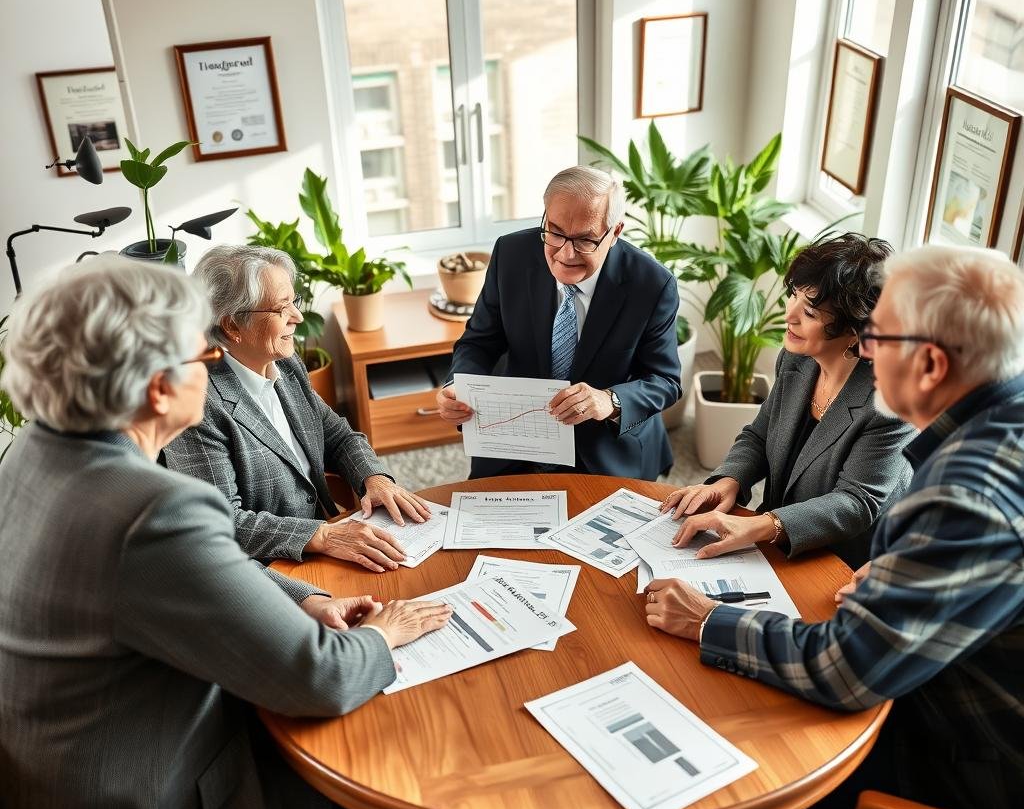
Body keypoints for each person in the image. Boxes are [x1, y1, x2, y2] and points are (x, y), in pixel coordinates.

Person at [0, 257, 451, 809]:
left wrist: (300, 598)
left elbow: (181, 582)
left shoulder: (30, 453)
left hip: (60, 797)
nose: (213, 366)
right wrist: (386, 631)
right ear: (160, 387)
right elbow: (321, 677)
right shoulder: (152, 511)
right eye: (204, 358)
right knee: (391, 769)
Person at [643, 244, 1024, 809]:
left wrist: (707, 619)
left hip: (961, 761)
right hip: (944, 678)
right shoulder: (998, 422)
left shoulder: (968, 498)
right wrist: (906, 566)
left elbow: (844, 672)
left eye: (877, 337)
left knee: (700, 763)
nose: (867, 351)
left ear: (928, 362)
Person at [163, 245, 430, 574]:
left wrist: (374, 479)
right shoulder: (196, 405)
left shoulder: (286, 364)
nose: (298, 317)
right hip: (271, 571)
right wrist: (325, 535)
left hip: (331, 538)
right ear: (232, 326)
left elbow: (337, 435)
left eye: (294, 301)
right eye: (280, 308)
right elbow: (222, 522)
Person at [663, 233, 914, 568]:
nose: (789, 314)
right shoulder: (798, 359)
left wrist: (763, 524)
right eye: (794, 295)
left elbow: (856, 502)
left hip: (841, 562)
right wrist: (729, 480)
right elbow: (759, 435)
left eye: (809, 311)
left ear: (855, 331)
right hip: (776, 539)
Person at [436, 165, 681, 479]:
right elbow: (480, 341)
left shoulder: (652, 284)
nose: (566, 254)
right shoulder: (511, 254)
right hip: (514, 434)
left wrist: (610, 400)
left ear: (615, 232)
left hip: (607, 448)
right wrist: (459, 386)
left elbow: (664, 380)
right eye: (555, 233)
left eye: (585, 240)